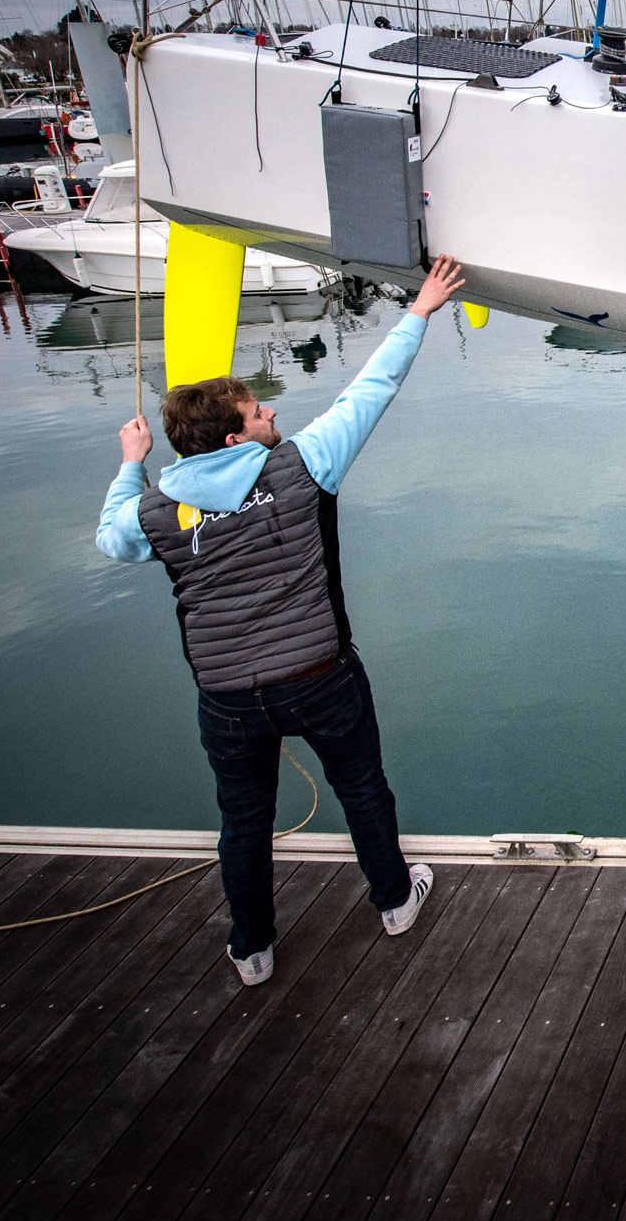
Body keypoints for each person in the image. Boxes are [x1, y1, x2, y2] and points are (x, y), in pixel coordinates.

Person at [99, 257, 469, 986]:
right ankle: (394, 901)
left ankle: (253, 950)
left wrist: (131, 462)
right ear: (236, 439)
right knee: (362, 787)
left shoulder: (155, 511)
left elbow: (113, 536)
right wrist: (420, 309)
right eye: (257, 412)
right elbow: (371, 391)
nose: (272, 413)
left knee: (244, 820)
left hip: (229, 698)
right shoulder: (301, 466)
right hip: (320, 675)